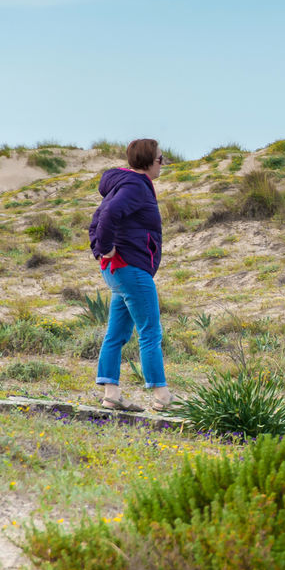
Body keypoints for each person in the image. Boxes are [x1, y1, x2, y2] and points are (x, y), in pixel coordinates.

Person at [87, 138, 174, 412]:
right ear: (149, 161)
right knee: (150, 332)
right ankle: (162, 397)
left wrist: (102, 250)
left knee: (117, 333)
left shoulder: (124, 184)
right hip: (131, 269)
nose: (163, 164)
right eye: (161, 159)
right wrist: (105, 247)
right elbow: (108, 214)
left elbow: (97, 217)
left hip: (119, 271)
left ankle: (111, 394)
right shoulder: (136, 186)